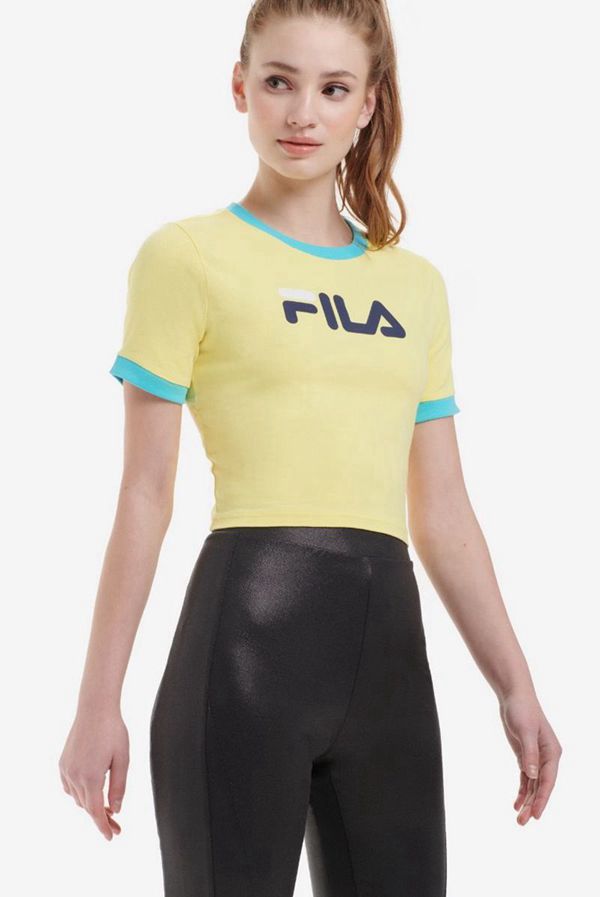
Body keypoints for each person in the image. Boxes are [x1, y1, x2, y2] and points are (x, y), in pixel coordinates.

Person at [58, 2, 562, 895]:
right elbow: (144, 492)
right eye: (279, 82)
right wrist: (99, 701)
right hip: (244, 654)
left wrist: (515, 684)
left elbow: (443, 508)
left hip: (391, 668)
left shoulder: (414, 286)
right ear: (240, 87)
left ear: (368, 104)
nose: (301, 114)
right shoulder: (186, 257)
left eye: (333, 89)